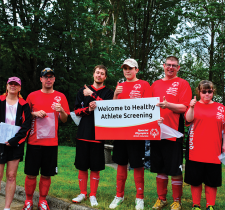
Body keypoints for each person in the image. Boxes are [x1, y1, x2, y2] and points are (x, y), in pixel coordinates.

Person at [22, 68, 70, 210]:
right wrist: (34, 113)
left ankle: (42, 200)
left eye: (51, 77)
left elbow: (65, 119)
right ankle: (28, 200)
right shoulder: (32, 96)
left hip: (51, 142)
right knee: (31, 174)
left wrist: (61, 110)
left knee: (46, 174)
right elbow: (24, 115)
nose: (48, 79)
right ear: (41, 79)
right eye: (45, 77)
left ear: (54, 80)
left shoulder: (60, 96)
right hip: (34, 141)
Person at [109, 58, 152, 210]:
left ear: (137, 70)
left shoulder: (144, 84)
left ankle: (139, 198)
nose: (127, 70)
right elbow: (112, 110)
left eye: (130, 68)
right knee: (121, 163)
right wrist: (115, 95)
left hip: (137, 133)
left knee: (137, 165)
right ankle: (119, 195)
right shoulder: (119, 85)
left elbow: (149, 108)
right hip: (121, 132)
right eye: (125, 68)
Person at [150, 56, 192, 210]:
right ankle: (161, 199)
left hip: (174, 131)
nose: (171, 68)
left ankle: (177, 201)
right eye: (168, 65)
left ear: (178, 68)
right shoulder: (155, 84)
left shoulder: (182, 83)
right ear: (163, 66)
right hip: (156, 131)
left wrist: (168, 105)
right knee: (160, 167)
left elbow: (184, 108)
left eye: (174, 66)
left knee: (174, 168)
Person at [72, 65, 113, 207]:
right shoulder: (82, 91)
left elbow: (109, 109)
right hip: (83, 133)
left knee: (95, 167)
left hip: (99, 134)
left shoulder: (108, 92)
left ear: (105, 77)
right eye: (97, 72)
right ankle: (83, 193)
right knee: (82, 166)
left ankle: (93, 195)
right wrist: (88, 109)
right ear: (93, 74)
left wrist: (93, 95)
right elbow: (76, 111)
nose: (99, 75)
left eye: (102, 73)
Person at [184, 80, 225, 210]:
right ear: (199, 92)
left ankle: (210, 205)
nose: (207, 94)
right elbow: (189, 119)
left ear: (213, 91)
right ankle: (196, 204)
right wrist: (191, 106)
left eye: (210, 91)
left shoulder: (221, 107)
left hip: (214, 150)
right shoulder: (193, 106)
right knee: (195, 180)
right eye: (204, 92)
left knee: (212, 180)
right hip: (195, 148)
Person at [0, 77, 31, 210]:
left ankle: (7, 207)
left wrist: (14, 140)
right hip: (0, 143)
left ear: (19, 88)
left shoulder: (24, 105)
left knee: (11, 176)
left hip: (16, 143)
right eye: (10, 84)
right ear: (6, 86)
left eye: (16, 84)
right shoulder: (0, 101)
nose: (13, 86)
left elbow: (27, 126)